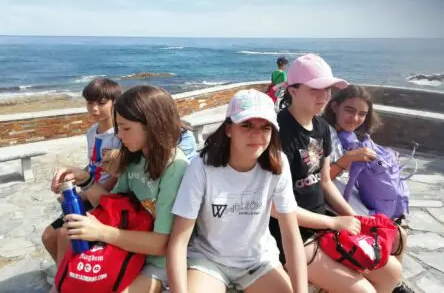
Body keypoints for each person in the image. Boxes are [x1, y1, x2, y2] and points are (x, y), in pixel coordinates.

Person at [269, 54, 406, 293]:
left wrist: (356, 219)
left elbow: (324, 182)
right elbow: (274, 207)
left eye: (328, 89)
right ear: (292, 90)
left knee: (392, 272)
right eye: (314, 89)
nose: (323, 96)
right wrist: (333, 222)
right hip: (291, 234)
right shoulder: (278, 133)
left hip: (323, 223)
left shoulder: (321, 128)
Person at [167, 89, 308, 293]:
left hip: (259, 261)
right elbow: (178, 242)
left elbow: (290, 234)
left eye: (265, 127)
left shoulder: (278, 164)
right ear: (228, 129)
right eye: (247, 125)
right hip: (209, 261)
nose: (256, 135)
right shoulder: (202, 168)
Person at [51, 85, 189, 292]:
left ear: (152, 125)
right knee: (65, 242)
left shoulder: (174, 167)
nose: (119, 135)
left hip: (154, 262)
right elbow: (112, 207)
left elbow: (161, 244)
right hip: (124, 248)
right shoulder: (135, 159)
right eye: (118, 127)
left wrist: (101, 232)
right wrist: (86, 181)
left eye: (125, 128)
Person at [322, 84, 412, 293]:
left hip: (337, 190)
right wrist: (347, 159)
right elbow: (321, 178)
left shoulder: (348, 134)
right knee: (389, 233)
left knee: (398, 234)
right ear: (335, 106)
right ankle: (391, 284)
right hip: (327, 196)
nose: (355, 118)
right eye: (349, 110)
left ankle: (394, 284)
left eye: (362, 114)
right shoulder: (324, 132)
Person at [42, 78, 122, 267]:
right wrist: (69, 180)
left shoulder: (120, 135)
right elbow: (93, 165)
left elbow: (115, 176)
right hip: (88, 190)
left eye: (101, 103)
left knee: (64, 235)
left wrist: (84, 194)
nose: (94, 108)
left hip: (104, 197)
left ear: (115, 103)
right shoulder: (92, 132)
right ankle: (64, 275)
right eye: (90, 103)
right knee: (48, 237)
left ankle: (68, 279)